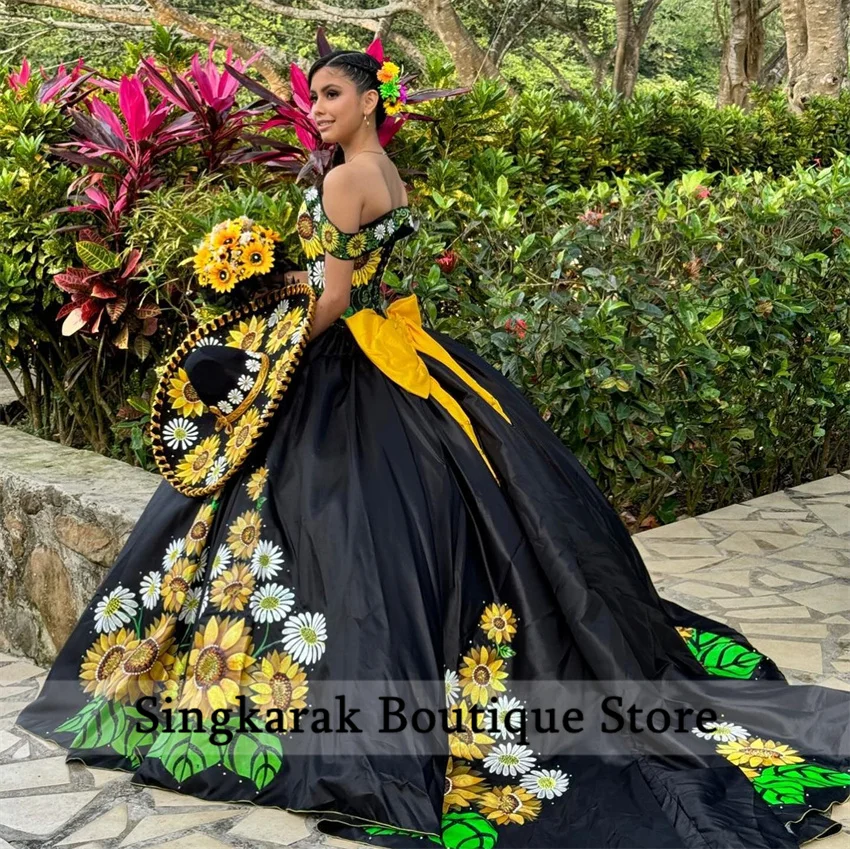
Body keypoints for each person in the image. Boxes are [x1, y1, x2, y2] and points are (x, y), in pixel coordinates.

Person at [15, 47, 850, 849]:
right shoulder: (385, 172)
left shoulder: (344, 179)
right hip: (405, 351)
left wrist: (266, 354)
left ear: (371, 100)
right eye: (312, 97)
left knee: (328, 528)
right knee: (432, 517)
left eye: (332, 95)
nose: (318, 108)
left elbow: (334, 299)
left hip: (347, 362)